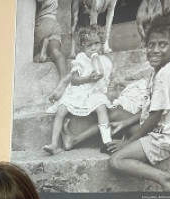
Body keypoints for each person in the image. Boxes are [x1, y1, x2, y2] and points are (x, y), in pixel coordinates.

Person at [106, 11, 170, 191]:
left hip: (164, 139)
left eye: (163, 45)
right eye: (151, 45)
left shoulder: (165, 75)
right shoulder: (162, 70)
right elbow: (150, 109)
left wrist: (127, 143)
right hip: (167, 131)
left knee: (116, 160)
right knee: (119, 116)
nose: (155, 50)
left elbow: (154, 117)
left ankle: (167, 180)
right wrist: (125, 122)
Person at [42, 26, 114, 155]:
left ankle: (107, 141)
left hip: (94, 93)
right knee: (61, 109)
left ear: (102, 43)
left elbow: (104, 81)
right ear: (82, 46)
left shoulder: (105, 61)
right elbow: (74, 80)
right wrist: (88, 78)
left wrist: (100, 79)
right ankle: (54, 143)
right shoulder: (80, 59)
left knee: (101, 107)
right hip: (78, 91)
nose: (94, 48)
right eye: (89, 45)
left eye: (97, 43)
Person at [60, 79, 149, 151]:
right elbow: (146, 108)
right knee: (113, 112)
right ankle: (75, 139)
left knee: (115, 113)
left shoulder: (160, 84)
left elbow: (150, 113)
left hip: (150, 132)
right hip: (144, 124)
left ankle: (75, 139)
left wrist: (124, 123)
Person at [34, 0, 68, 83]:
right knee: (55, 51)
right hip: (55, 24)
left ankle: (42, 51)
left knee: (30, 52)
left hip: (43, 23)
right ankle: (64, 76)